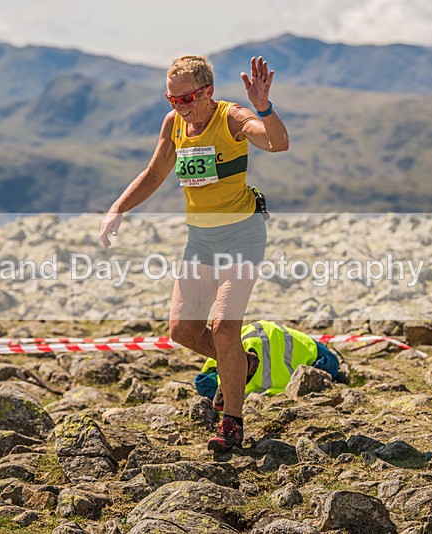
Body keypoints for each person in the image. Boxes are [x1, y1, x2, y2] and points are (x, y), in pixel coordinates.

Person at [99, 55, 289, 452]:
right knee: (183, 331)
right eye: (173, 99)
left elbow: (277, 143)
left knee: (223, 329)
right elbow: (154, 174)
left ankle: (232, 424)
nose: (181, 107)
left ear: (209, 92)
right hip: (200, 240)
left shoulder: (231, 118)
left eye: (189, 99)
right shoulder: (174, 125)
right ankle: (242, 364)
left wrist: (263, 107)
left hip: (242, 235)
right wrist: (118, 208)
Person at [194, 320, 341, 404]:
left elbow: (202, 382)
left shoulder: (241, 335)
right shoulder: (294, 338)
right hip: (284, 340)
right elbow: (331, 363)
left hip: (244, 346)